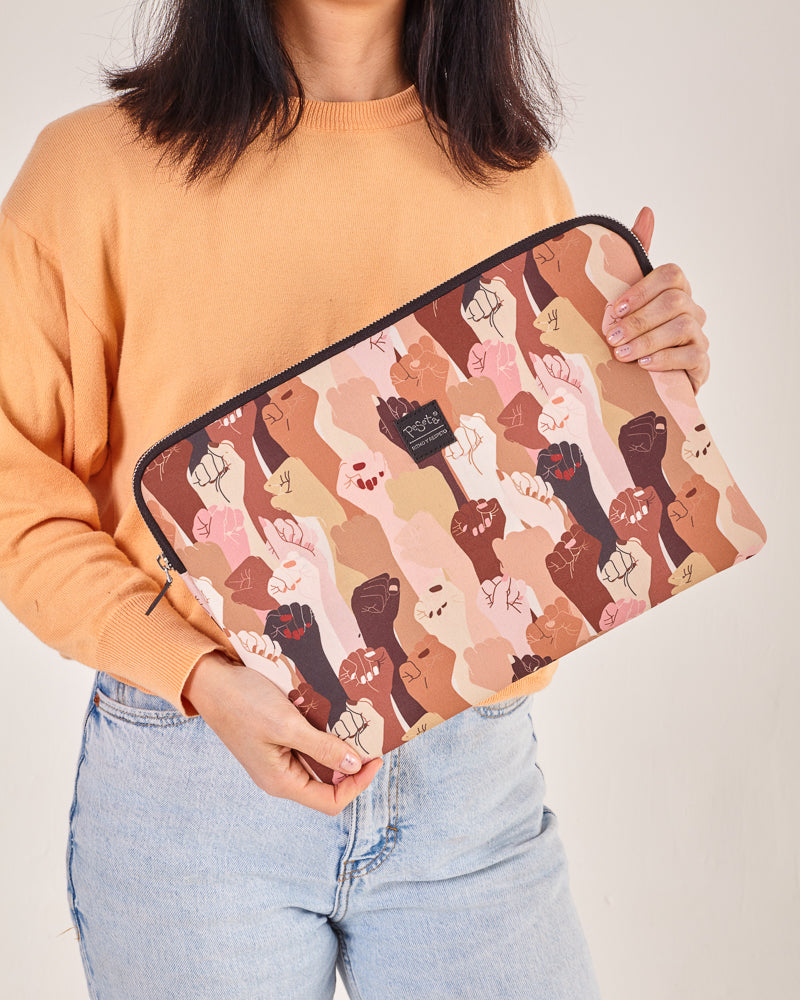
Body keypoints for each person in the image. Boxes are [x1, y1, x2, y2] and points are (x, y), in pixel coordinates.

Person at [0, 1, 710, 997]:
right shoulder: (89, 173)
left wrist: (646, 378)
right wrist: (197, 675)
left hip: (471, 785)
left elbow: (534, 492)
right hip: (193, 775)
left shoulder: (514, 177)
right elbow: (14, 489)